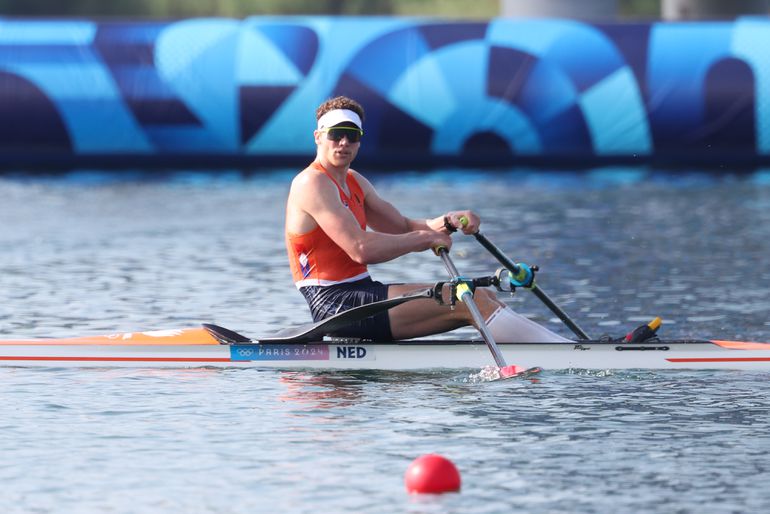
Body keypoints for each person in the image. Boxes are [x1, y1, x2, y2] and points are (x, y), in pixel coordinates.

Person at [285, 96, 570, 343]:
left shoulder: (354, 181)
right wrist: (423, 240)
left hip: (361, 294)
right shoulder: (311, 183)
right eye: (336, 134)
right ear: (318, 136)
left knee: (485, 297)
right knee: (467, 300)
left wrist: (448, 222)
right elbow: (360, 249)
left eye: (353, 135)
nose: (344, 142)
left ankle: (562, 348)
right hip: (335, 307)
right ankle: (569, 353)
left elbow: (404, 226)